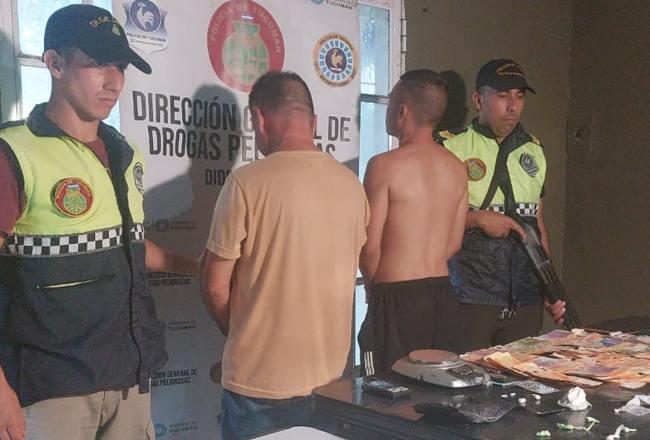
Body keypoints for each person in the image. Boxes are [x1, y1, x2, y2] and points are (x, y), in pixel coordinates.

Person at [0, 5, 197, 440]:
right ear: (55, 64)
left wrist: (199, 267)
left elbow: (128, 246)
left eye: (120, 66)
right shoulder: (14, 153)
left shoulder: (126, 153)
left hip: (128, 375)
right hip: (49, 388)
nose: (114, 81)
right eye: (97, 64)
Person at [200, 71, 369, 439]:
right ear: (314, 122)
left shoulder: (246, 183)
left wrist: (240, 331)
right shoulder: (352, 186)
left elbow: (214, 286)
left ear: (259, 118)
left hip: (259, 385)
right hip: (330, 384)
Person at [434, 59, 566, 353]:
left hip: (526, 296)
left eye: (519, 96)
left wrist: (549, 287)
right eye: (503, 96)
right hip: (471, 295)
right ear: (478, 100)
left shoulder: (534, 150)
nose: (513, 106)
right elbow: (427, 220)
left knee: (522, 379)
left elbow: (537, 225)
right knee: (467, 379)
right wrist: (476, 219)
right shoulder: (451, 147)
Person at [357, 69, 468, 376]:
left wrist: (374, 287)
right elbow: (454, 243)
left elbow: (369, 246)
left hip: (396, 297)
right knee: (437, 390)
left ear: (402, 110)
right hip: (442, 296)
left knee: (384, 390)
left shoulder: (383, 166)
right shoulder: (456, 168)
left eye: (390, 102)